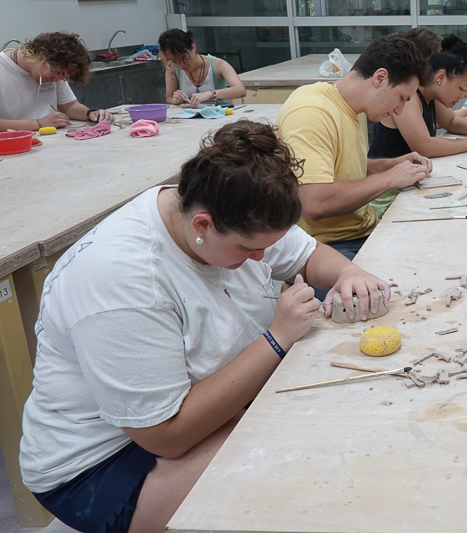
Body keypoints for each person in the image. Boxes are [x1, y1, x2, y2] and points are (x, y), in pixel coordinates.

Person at [19, 121, 389, 533]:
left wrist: (349, 272)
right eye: (248, 249)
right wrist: (277, 339)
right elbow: (165, 435)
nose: (261, 258)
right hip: (105, 460)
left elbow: (305, 255)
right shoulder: (123, 282)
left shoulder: (231, 205)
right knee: (293, 472)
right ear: (201, 225)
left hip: (181, 419)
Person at [275, 34, 433, 272]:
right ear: (380, 78)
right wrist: (391, 178)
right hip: (325, 247)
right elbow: (315, 202)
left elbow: (344, 169)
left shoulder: (354, 106)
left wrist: (394, 164)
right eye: (401, 98)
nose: (400, 110)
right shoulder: (312, 111)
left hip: (360, 231)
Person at [369, 34, 467, 159]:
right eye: (461, 88)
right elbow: (424, 147)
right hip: (386, 173)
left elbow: (451, 121)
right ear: (441, 77)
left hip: (410, 171)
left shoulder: (432, 94)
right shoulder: (409, 95)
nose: (461, 95)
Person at [0, 31, 112, 130]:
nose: (56, 80)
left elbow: (69, 106)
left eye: (62, 77)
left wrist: (90, 114)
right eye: (57, 72)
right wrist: (38, 123)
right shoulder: (3, 68)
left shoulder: (54, 71)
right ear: (39, 56)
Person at [160, 29, 246, 108]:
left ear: (193, 48)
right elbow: (169, 97)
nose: (181, 64)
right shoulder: (172, 67)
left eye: (184, 58)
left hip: (219, 113)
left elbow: (240, 90)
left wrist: (211, 94)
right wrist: (174, 100)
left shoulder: (218, 65)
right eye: (174, 61)